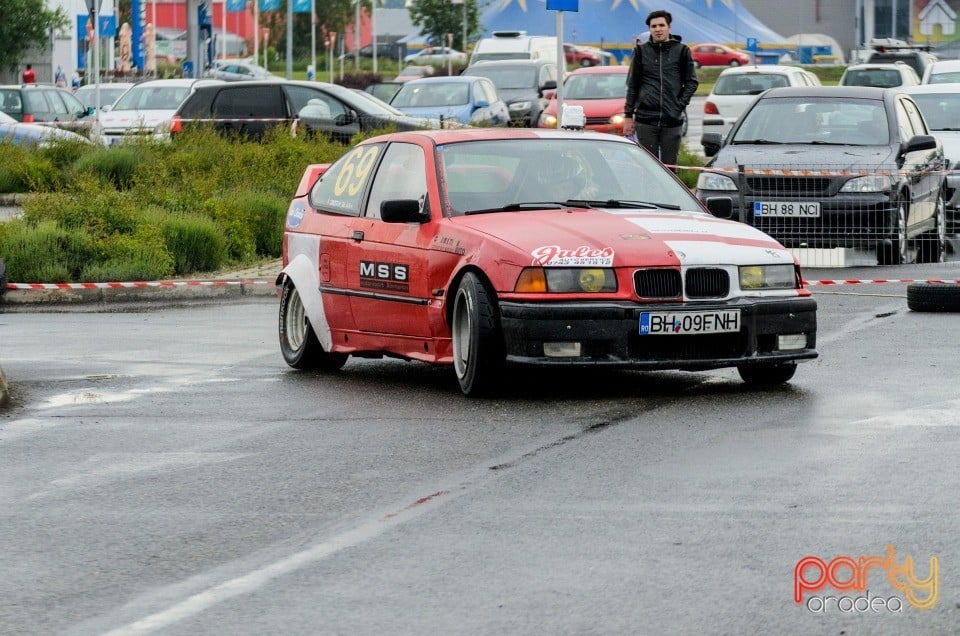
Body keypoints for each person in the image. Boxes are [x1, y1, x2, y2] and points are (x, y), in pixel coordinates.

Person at [622, 9, 698, 170]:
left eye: (661, 25)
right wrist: (628, 115)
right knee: (649, 168)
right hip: (645, 119)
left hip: (672, 120)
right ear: (649, 29)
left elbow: (692, 82)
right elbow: (633, 85)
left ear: (669, 27)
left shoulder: (682, 51)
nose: (657, 29)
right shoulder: (641, 52)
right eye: (653, 26)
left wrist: (679, 105)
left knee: (670, 168)